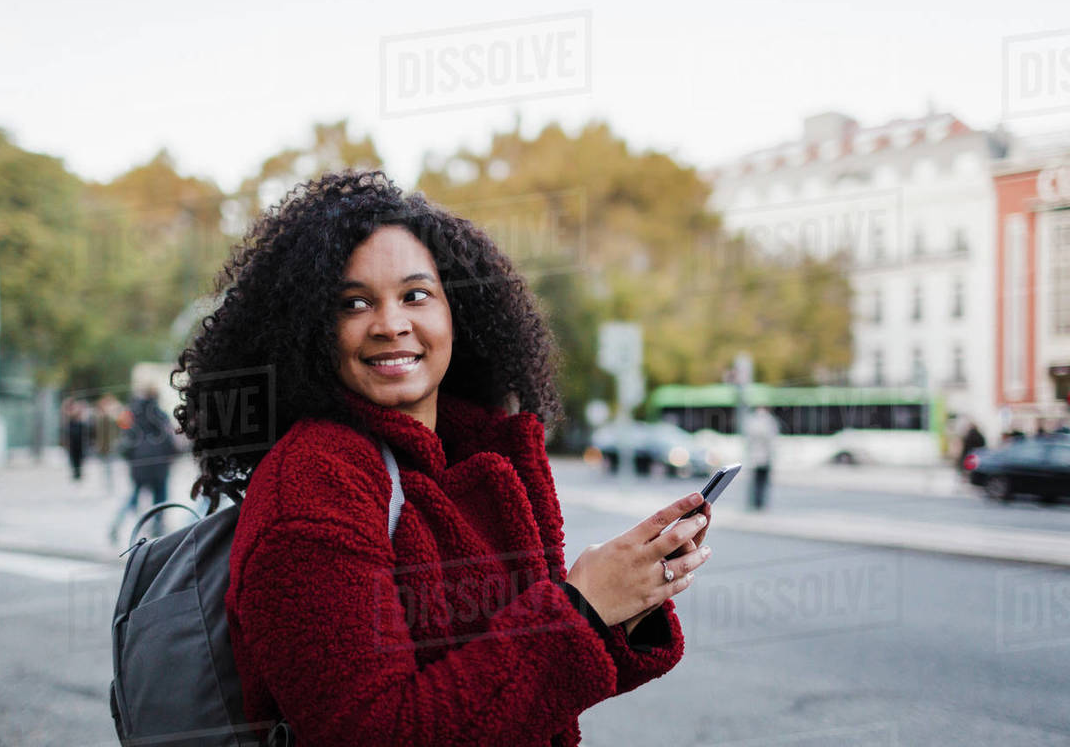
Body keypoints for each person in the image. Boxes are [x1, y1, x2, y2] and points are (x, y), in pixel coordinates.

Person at [173, 171, 713, 746]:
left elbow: (522, 686)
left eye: (416, 294)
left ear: (459, 310)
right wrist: (578, 610)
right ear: (309, 332)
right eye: (354, 304)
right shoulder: (312, 485)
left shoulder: (471, 455)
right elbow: (374, 733)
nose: (391, 323)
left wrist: (620, 603)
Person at [109, 384, 177, 543]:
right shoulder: (160, 415)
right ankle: (158, 528)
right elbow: (169, 440)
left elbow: (126, 442)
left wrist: (132, 460)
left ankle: (117, 524)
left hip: (139, 465)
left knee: (133, 496)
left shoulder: (132, 415)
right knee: (160, 498)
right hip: (159, 464)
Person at [745, 405, 779, 510]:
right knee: (763, 482)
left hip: (755, 458)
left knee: (755, 482)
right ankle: (761, 502)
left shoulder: (751, 421)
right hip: (765, 458)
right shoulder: (769, 421)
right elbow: (772, 439)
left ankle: (755, 502)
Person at [94, 393, 123, 495]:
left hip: (112, 445)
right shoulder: (101, 417)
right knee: (107, 467)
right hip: (104, 446)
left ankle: (111, 486)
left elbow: (119, 428)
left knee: (110, 466)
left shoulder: (113, 416)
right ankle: (108, 486)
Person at [61, 398, 89, 482]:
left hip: (79, 441)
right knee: (73, 458)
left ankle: (78, 473)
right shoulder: (69, 419)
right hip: (73, 441)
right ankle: (76, 473)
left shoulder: (80, 419)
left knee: (79, 458)